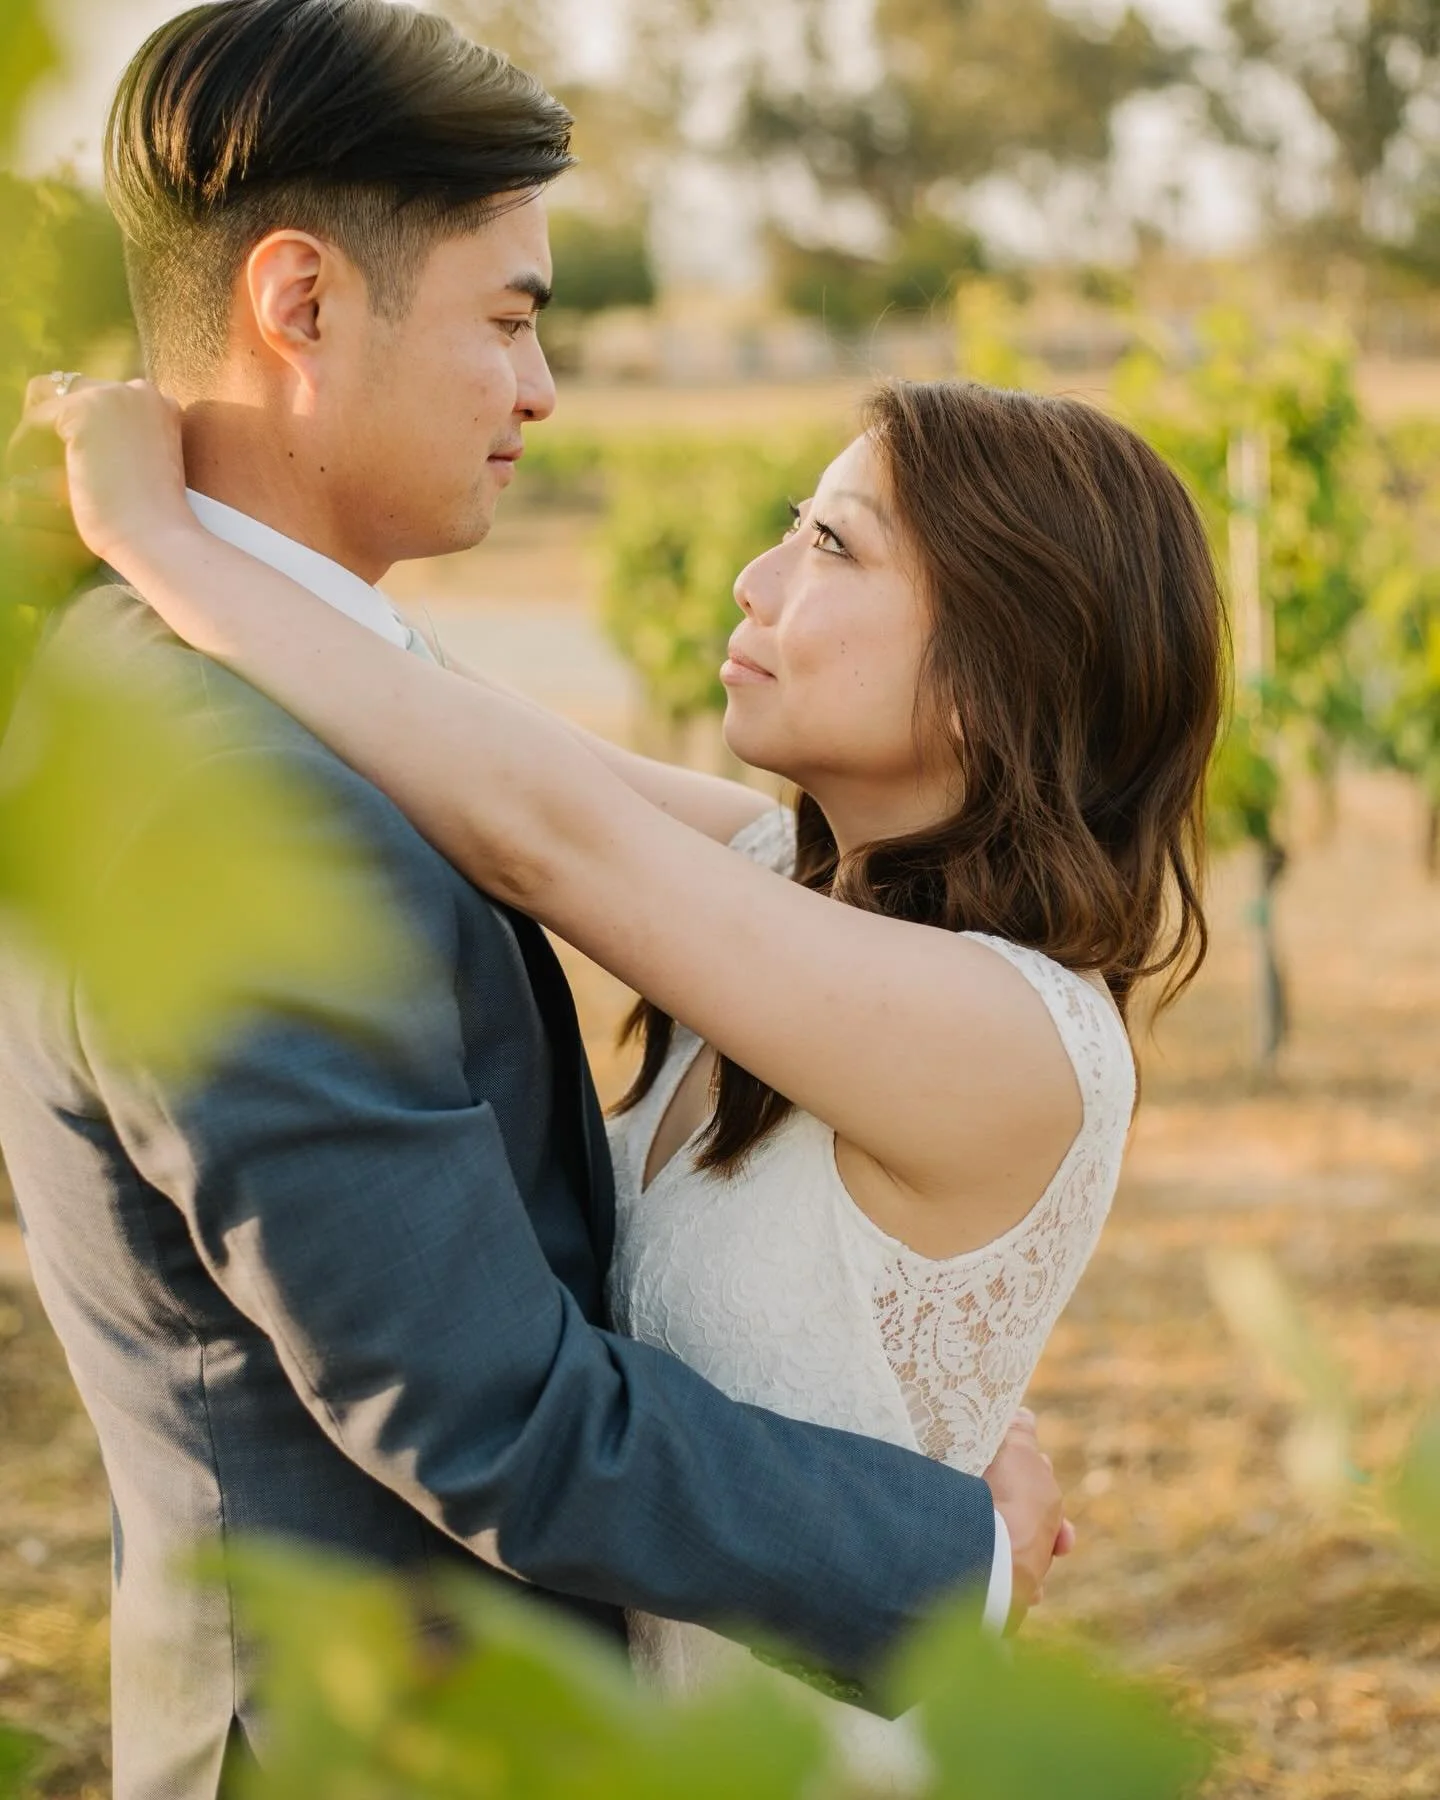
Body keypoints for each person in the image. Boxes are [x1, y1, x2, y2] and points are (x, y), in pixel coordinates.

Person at [0, 6, 1065, 1797]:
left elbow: (576, 830)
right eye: (509, 320)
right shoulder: (235, 790)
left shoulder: (265, 693)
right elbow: (482, 1410)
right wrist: (942, 1553)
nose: (544, 387)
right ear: (303, 304)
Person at [19, 368, 1223, 1780]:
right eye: (792, 523)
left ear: (1000, 663)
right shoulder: (784, 887)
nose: (754, 578)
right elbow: (434, 719)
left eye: (832, 546)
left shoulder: (1003, 1031)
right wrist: (151, 518)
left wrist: (154, 536)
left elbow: (541, 831)